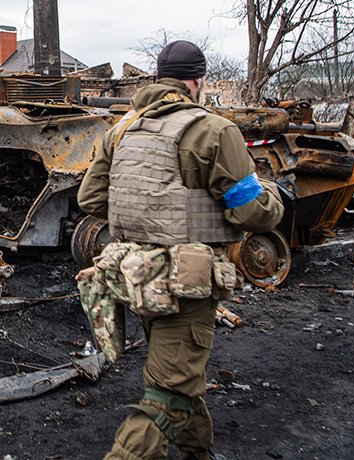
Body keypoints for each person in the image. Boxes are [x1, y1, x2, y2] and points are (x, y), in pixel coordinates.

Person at [77, 40, 284, 460]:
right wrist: (274, 196)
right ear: (198, 81)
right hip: (187, 287)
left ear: (158, 78)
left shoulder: (122, 128)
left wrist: (147, 210)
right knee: (168, 398)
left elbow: (91, 199)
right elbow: (252, 212)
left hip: (140, 279)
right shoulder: (214, 129)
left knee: (182, 376)